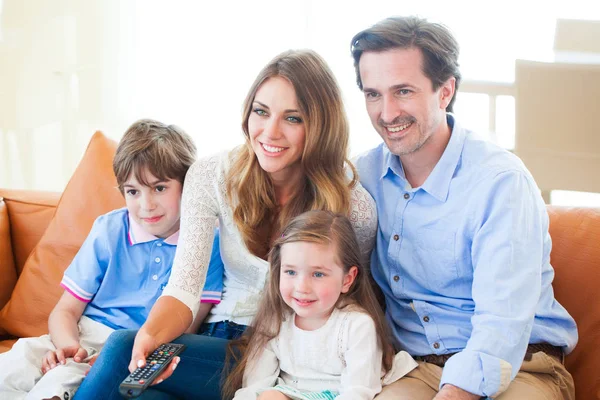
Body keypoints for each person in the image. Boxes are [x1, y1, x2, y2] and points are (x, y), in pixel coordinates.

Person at [74, 49, 378, 400]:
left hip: (288, 354)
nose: (270, 131)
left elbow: (356, 300)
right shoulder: (212, 176)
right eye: (260, 112)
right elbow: (184, 288)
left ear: (322, 125)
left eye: (293, 118)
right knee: (140, 381)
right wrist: (151, 334)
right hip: (215, 340)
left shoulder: (353, 206)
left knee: (120, 348)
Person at [350, 16, 578, 400]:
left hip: (520, 364)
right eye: (373, 94)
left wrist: (457, 392)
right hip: (414, 367)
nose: (386, 113)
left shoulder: (500, 182)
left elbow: (502, 320)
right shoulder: (363, 176)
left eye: (403, 91)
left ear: (445, 91)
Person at [0, 119, 225, 400]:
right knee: (15, 362)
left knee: (61, 383)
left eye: (159, 188)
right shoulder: (109, 229)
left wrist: (110, 362)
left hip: (136, 345)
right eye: (133, 191)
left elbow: (186, 326)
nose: (146, 205)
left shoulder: (209, 243)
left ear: (187, 187)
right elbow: (65, 311)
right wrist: (68, 348)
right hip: (79, 335)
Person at [224, 210, 417, 400]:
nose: (302, 287)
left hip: (341, 394)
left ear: (347, 280)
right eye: (290, 272)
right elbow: (254, 385)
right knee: (269, 396)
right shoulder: (275, 320)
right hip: (293, 393)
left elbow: (358, 392)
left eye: (318, 274)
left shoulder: (356, 325)